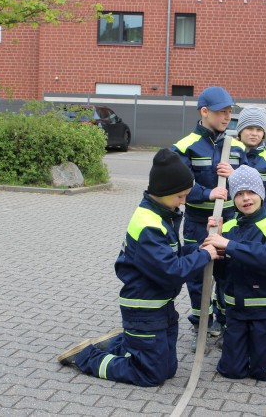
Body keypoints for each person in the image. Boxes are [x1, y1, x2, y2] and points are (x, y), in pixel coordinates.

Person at [57, 149, 219, 386]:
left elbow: (173, 256)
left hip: (161, 307)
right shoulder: (148, 226)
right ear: (163, 192)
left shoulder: (163, 215)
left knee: (169, 370)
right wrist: (204, 255)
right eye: (180, 196)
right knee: (150, 375)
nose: (184, 201)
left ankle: (123, 343)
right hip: (143, 310)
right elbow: (171, 271)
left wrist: (202, 246)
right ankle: (87, 356)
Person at [203, 165, 266, 381]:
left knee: (265, 374)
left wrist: (228, 245)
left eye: (251, 192)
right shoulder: (228, 228)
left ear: (261, 194)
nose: (246, 198)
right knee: (231, 371)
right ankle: (246, 353)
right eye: (239, 194)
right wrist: (210, 243)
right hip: (236, 313)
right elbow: (219, 271)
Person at [170, 86, 247, 351]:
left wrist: (235, 173)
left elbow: (250, 189)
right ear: (204, 112)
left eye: (229, 111)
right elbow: (178, 185)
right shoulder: (183, 147)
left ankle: (226, 327)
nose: (227, 117)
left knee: (228, 275)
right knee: (197, 276)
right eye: (221, 112)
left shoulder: (236, 147)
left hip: (230, 222)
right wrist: (206, 192)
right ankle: (201, 326)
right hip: (197, 223)